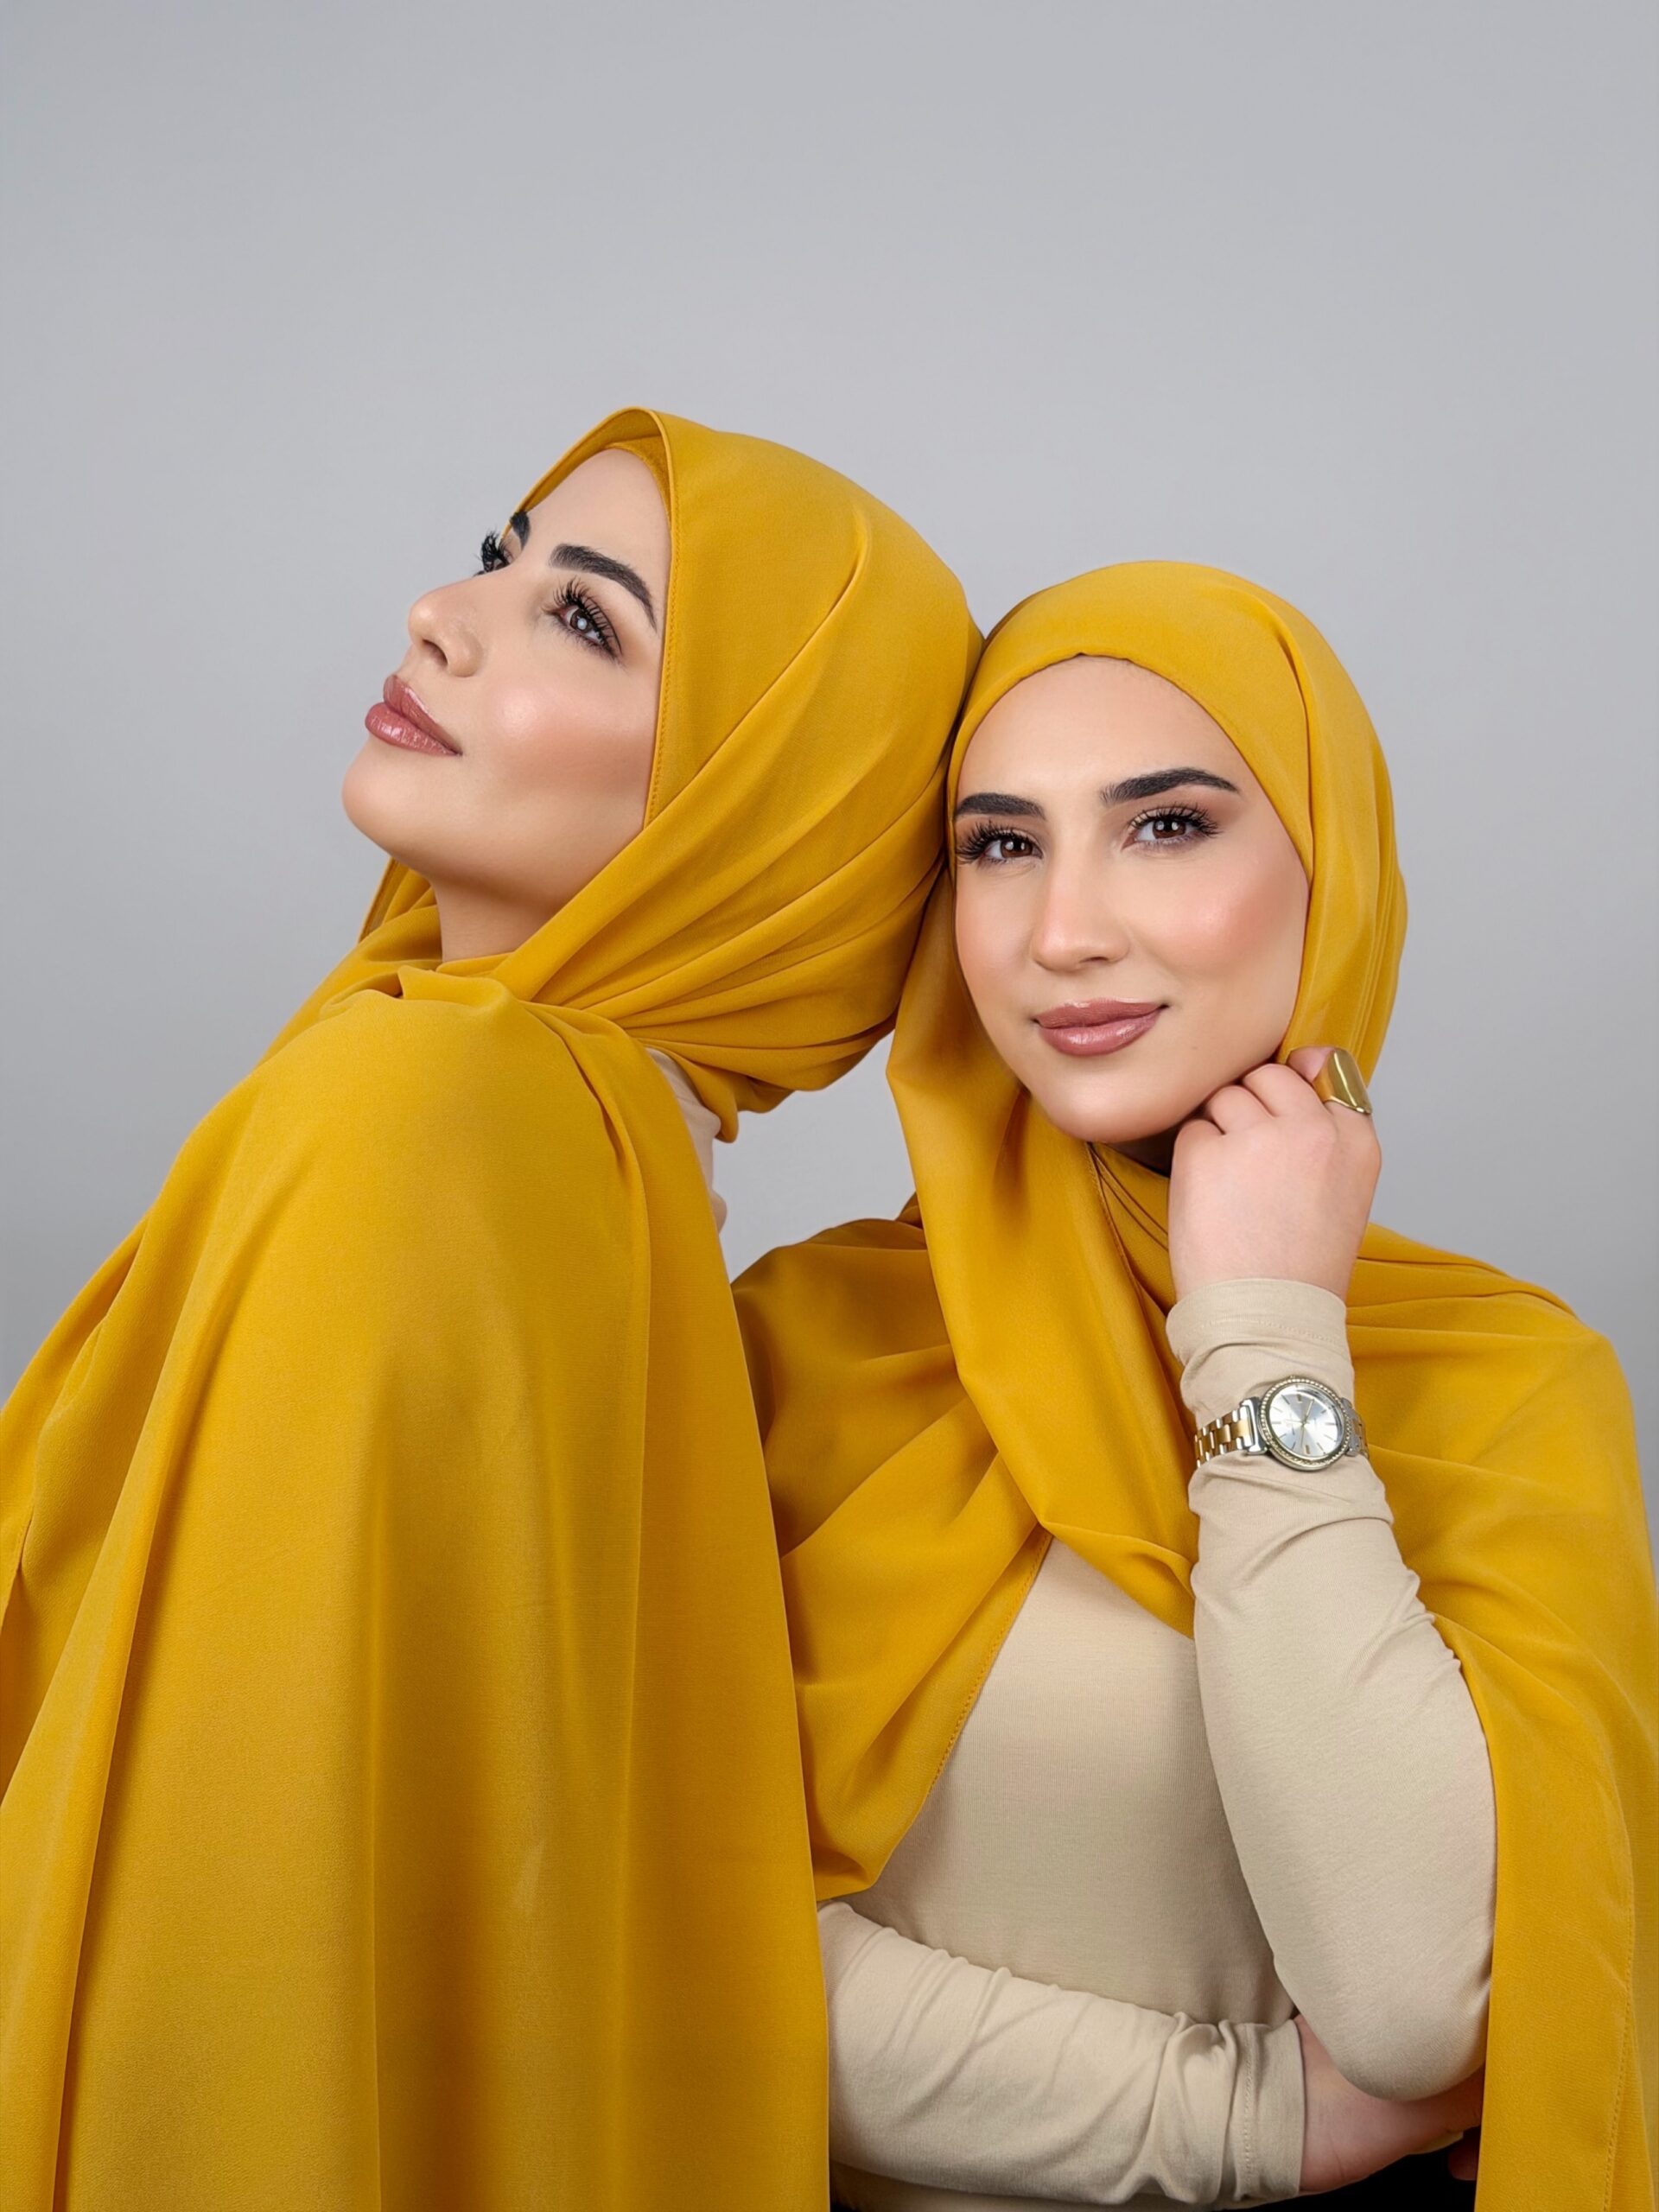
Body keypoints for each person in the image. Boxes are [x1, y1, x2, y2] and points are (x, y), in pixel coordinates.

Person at [0, 406, 980, 2211]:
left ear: (749, 819)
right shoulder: (602, 1179)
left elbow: (236, 1871)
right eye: (497, 555)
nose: (442, 617)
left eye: (583, 619)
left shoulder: (423, 1114)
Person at [736, 563, 1657, 2209]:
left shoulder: (1505, 1386)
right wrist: (1235, 2119)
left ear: (1330, 868)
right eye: (999, 845)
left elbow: (1415, 2001)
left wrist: (1262, 1331)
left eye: (1166, 825)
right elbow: (638, 1938)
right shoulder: (806, 1344)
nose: (1063, 930)